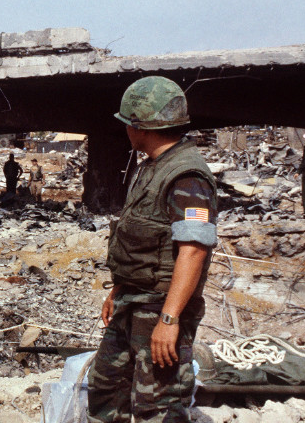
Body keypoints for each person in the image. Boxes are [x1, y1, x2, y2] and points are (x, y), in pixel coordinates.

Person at [87, 76, 218, 423]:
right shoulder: (150, 167)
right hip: (133, 302)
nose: (126, 130)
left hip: (160, 307)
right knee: (105, 388)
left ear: (140, 126)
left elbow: (193, 251)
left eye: (129, 123)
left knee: (158, 406)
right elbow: (140, 239)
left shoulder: (187, 176)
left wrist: (170, 320)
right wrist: (119, 288)